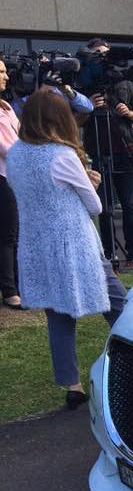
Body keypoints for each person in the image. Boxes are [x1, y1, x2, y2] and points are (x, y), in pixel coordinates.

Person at [6, 89, 126, 409]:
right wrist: (91, 182)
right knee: (119, 306)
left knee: (58, 317)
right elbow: (94, 205)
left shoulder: (15, 154)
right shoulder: (62, 155)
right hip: (75, 244)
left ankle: (71, 385)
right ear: (59, 118)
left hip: (36, 246)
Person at [80, 38, 133, 263]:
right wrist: (88, 105)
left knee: (129, 204)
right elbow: (76, 121)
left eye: (106, 54)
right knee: (105, 207)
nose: (104, 58)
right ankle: (109, 251)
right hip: (97, 150)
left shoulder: (124, 83)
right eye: (98, 54)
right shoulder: (85, 82)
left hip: (125, 149)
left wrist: (129, 113)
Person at [0, 58, 22, 310]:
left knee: (14, 234)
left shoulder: (7, 107)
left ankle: (16, 284)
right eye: (1, 72)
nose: (6, 76)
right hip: (3, 176)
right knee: (7, 235)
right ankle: (9, 290)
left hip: (14, 175)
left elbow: (19, 135)